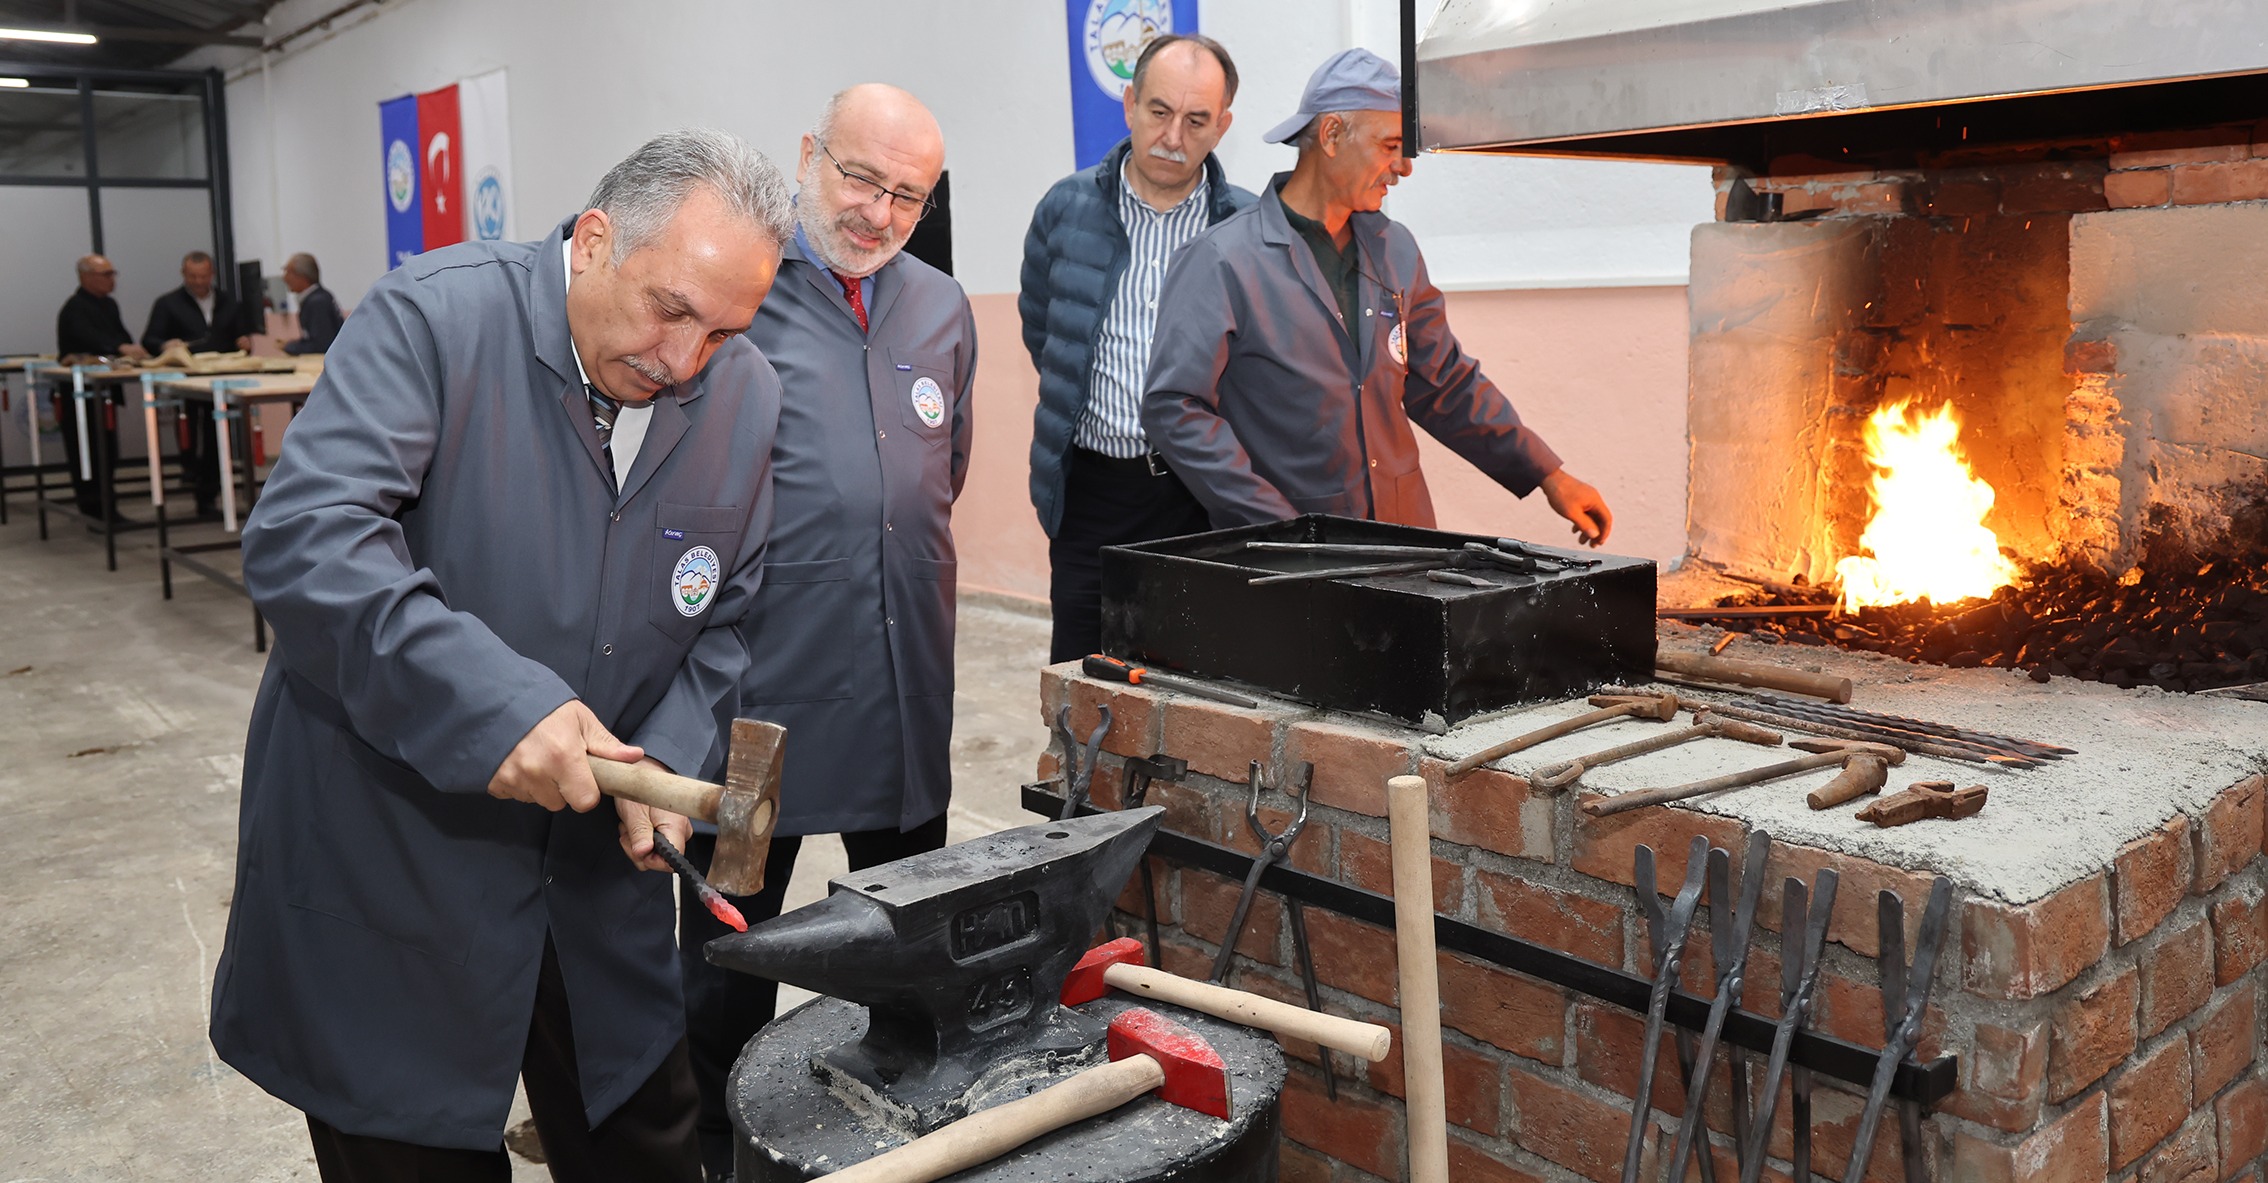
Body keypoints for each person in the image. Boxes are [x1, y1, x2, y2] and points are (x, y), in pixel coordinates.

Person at [209, 129, 794, 1183]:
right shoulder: (435, 321)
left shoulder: (743, 395)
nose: (683, 362)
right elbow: (308, 542)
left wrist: (660, 760)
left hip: (596, 893)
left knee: (646, 1146)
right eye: (669, 309)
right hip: (396, 863)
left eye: (722, 331)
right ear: (598, 238)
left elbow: (726, 619)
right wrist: (496, 704)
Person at [677, 84, 975, 1181]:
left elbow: (940, 476)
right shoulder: (743, 291)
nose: (878, 211)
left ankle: (899, 1108)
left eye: (907, 193)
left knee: (912, 924)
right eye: (858, 177)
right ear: (809, 154)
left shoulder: (942, 308)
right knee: (730, 932)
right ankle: (712, 1138)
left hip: (902, 685)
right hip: (758, 700)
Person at [1143, 49, 1615, 545]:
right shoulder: (1222, 259)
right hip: (1289, 559)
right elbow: (1175, 406)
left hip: (1405, 542)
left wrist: (1547, 474)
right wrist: (1276, 526)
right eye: (1390, 145)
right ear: (1330, 134)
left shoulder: (1396, 250)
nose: (1404, 167)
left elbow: (1446, 384)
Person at [1021, 33, 1255, 663]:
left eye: (1196, 120)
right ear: (1129, 103)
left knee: (1204, 678)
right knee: (1083, 679)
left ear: (1222, 125)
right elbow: (1045, 332)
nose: (1173, 137)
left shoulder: (1250, 229)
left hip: (1203, 499)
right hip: (1093, 495)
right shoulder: (1065, 210)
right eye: (1159, 112)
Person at [142, 250, 246, 518]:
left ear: (212, 274)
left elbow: (239, 333)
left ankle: (212, 493)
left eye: (203, 276)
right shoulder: (167, 303)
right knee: (193, 437)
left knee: (216, 437)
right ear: (183, 275)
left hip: (222, 379)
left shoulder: (228, 301)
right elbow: (150, 340)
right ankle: (196, 482)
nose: (199, 282)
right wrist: (166, 345)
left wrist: (243, 340)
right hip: (187, 383)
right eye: (193, 276)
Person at [54, 254, 147, 520]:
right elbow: (90, 338)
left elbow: (122, 336)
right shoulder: (74, 308)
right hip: (79, 394)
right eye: (106, 274)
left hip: (103, 392)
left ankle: (106, 506)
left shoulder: (109, 305)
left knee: (107, 452)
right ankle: (93, 509)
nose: (111, 279)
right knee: (87, 452)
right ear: (86, 276)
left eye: (112, 274)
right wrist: (118, 348)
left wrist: (128, 348)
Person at [280, 252, 344, 354]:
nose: (284, 278)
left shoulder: (317, 302)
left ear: (303, 276)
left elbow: (321, 345)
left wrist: (291, 347)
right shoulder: (320, 297)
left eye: (288, 272)